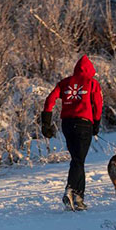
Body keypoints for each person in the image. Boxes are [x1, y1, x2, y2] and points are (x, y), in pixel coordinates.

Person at [41, 55, 103, 211]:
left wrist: (46, 122)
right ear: (90, 71)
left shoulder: (65, 83)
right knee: (78, 160)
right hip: (84, 124)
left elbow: (50, 100)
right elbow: (98, 104)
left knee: (77, 160)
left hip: (67, 124)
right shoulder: (92, 83)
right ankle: (70, 190)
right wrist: (96, 123)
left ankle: (78, 198)